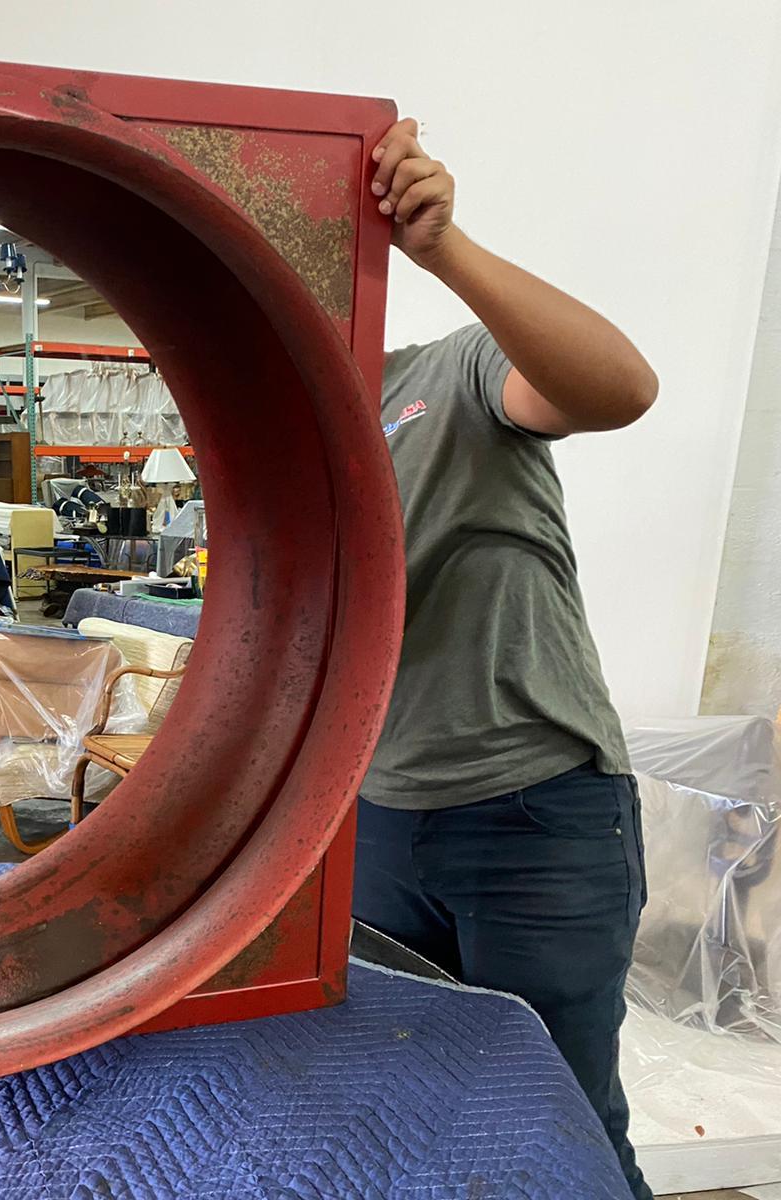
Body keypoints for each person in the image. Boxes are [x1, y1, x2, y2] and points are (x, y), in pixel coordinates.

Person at [357, 118, 659, 1200]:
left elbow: (617, 389)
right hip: (373, 817)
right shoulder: (269, 434)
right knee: (415, 1099)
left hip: (532, 813)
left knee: (561, 1122)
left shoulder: (452, 371)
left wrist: (444, 249)